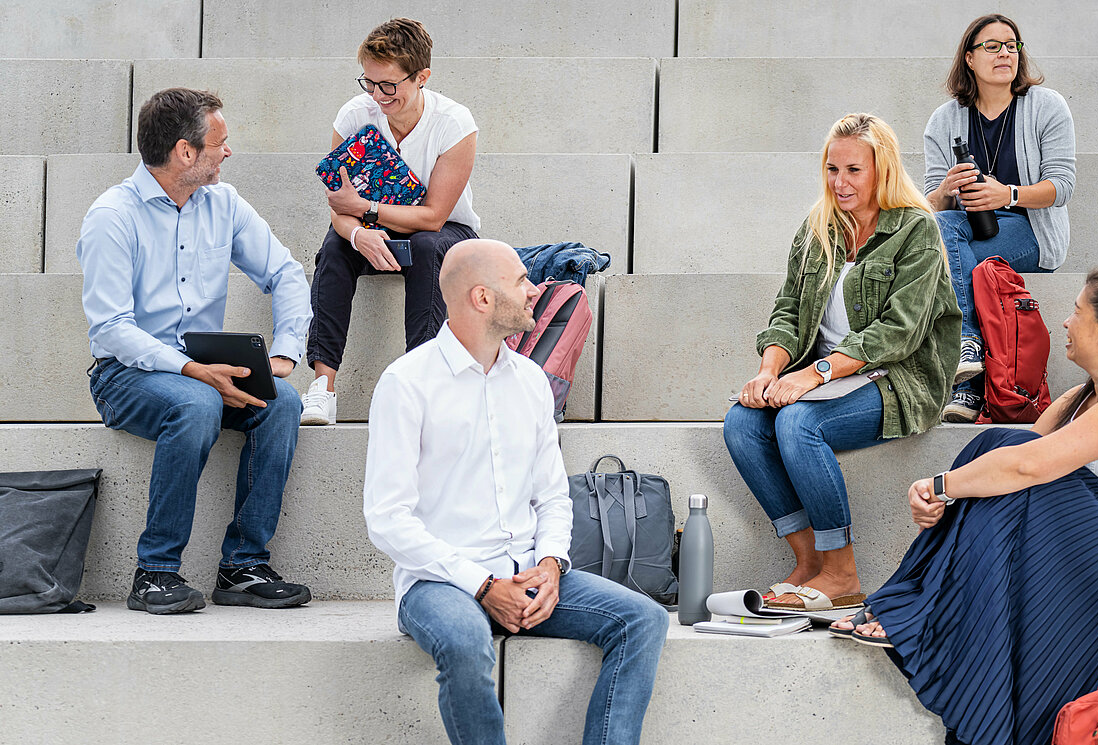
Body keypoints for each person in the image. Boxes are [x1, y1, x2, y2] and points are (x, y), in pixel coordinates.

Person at [833, 263, 1098, 745]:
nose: (1065, 322)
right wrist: (945, 492)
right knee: (999, 446)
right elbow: (1010, 457)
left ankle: (922, 609)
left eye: (1076, 311)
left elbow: (1029, 468)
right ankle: (918, 606)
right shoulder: (1082, 397)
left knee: (1025, 472)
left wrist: (941, 487)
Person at [363, 238, 668, 745]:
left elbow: (552, 497)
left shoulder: (530, 381)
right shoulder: (406, 383)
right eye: (521, 282)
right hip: (442, 584)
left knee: (643, 620)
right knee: (465, 640)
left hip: (527, 573)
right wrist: (483, 586)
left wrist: (550, 566)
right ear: (482, 298)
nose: (535, 291)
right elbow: (388, 518)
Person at [78, 87, 313, 614]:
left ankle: (243, 565)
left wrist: (284, 355)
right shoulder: (112, 216)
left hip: (205, 366)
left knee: (285, 403)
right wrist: (191, 370)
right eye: (219, 142)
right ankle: (155, 573)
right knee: (196, 402)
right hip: (126, 374)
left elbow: (286, 273)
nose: (227, 152)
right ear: (186, 151)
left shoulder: (223, 204)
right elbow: (113, 328)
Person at [722, 113, 960, 611]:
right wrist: (769, 371)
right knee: (742, 423)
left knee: (798, 423)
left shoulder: (915, 229)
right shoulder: (818, 228)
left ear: (882, 170)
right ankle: (809, 563)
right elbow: (787, 310)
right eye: (833, 169)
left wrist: (816, 373)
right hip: (827, 375)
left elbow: (901, 331)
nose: (840, 182)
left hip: (898, 377)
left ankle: (843, 571)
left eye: (854, 170)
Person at [300, 17, 481, 425]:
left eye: (389, 85)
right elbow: (338, 203)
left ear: (422, 77)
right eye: (369, 82)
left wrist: (366, 212)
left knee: (424, 245)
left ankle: (425, 385)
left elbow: (434, 216)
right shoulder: (354, 114)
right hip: (370, 225)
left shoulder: (453, 123)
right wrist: (357, 233)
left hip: (445, 230)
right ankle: (322, 388)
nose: (377, 95)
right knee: (333, 247)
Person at [923, 13, 1076, 422]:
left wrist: (1005, 193)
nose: (1005, 53)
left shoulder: (1046, 106)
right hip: (966, 227)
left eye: (1012, 45)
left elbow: (1062, 186)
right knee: (943, 232)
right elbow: (930, 204)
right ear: (970, 59)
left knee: (961, 263)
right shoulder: (944, 119)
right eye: (992, 46)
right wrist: (947, 189)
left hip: (1030, 231)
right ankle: (971, 380)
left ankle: (965, 351)